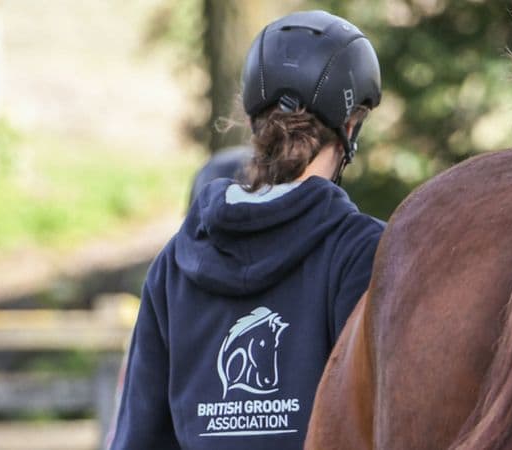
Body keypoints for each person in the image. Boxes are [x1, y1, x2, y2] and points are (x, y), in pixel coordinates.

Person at [109, 10, 383, 450]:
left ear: (254, 119)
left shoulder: (175, 261)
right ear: (350, 126)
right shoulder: (362, 253)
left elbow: (138, 436)